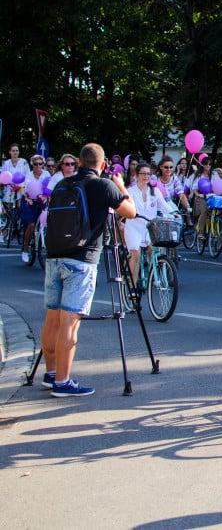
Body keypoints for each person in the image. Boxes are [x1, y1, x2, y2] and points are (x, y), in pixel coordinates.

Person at [40, 143, 136, 396]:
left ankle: (50, 374)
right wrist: (121, 186)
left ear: (79, 162)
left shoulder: (63, 184)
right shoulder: (103, 185)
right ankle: (63, 382)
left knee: (53, 318)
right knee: (70, 323)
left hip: (54, 256)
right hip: (82, 259)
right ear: (103, 165)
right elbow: (131, 211)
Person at [123, 162, 175, 288]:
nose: (146, 176)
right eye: (143, 174)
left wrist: (175, 213)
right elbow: (125, 209)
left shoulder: (155, 191)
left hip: (150, 228)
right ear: (136, 175)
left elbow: (164, 207)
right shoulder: (130, 192)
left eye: (148, 174)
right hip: (134, 228)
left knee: (154, 248)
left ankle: (153, 274)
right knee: (136, 253)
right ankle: (132, 285)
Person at [20, 155, 51, 263]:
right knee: (31, 225)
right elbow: (27, 189)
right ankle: (25, 249)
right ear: (32, 165)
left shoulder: (46, 174)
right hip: (30, 200)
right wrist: (29, 199)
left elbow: (49, 187)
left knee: (46, 222)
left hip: (42, 200)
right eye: (35, 164)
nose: (38, 166)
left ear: (43, 165)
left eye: (40, 164)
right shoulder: (28, 175)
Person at [2, 143, 29, 212]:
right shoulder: (6, 163)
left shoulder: (23, 162)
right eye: (13, 151)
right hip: (10, 189)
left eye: (17, 150)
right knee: (9, 210)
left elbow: (28, 176)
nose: (15, 152)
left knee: (20, 207)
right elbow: (3, 177)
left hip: (21, 188)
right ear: (10, 152)